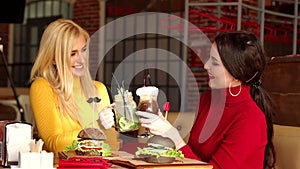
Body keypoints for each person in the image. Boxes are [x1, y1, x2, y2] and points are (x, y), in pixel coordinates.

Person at [136, 31, 276, 169]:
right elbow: (195, 156)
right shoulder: (207, 99)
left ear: (237, 72)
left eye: (214, 63)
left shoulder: (251, 118)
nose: (206, 65)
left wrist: (174, 138)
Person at [29, 19, 118, 155]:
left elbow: (112, 146)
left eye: (83, 50)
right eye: (72, 54)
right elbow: (53, 144)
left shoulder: (99, 89)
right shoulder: (42, 87)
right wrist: (94, 129)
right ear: (53, 58)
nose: (81, 59)